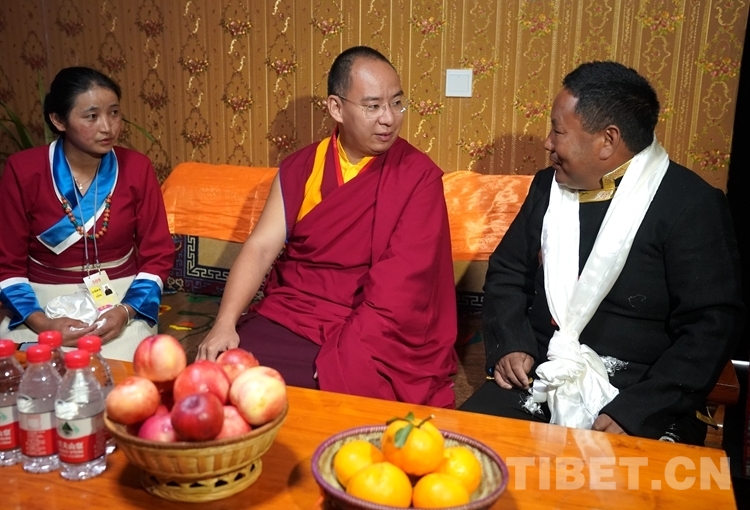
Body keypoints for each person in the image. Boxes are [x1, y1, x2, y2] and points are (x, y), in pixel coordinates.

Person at [459, 61, 744, 445]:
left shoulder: (691, 205)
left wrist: (642, 408)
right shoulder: (546, 187)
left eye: (558, 131)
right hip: (542, 375)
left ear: (608, 140)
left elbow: (712, 325)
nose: (547, 143)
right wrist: (511, 342)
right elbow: (509, 271)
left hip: (638, 394)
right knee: (459, 457)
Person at [197, 46, 457, 407]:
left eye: (397, 103)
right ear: (336, 108)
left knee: (331, 389)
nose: (389, 118)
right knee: (222, 378)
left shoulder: (418, 177)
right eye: (373, 106)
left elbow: (402, 283)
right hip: (294, 311)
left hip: (371, 322)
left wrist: (347, 351)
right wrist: (224, 323)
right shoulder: (303, 167)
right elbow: (260, 247)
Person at [0, 66, 174, 360]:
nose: (108, 127)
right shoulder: (23, 170)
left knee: (122, 374)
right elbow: (7, 263)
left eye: (114, 113)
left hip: (120, 297)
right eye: (92, 116)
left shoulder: (137, 168)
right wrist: (44, 324)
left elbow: (158, 254)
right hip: (38, 299)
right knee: (25, 371)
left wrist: (125, 311)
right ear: (58, 120)